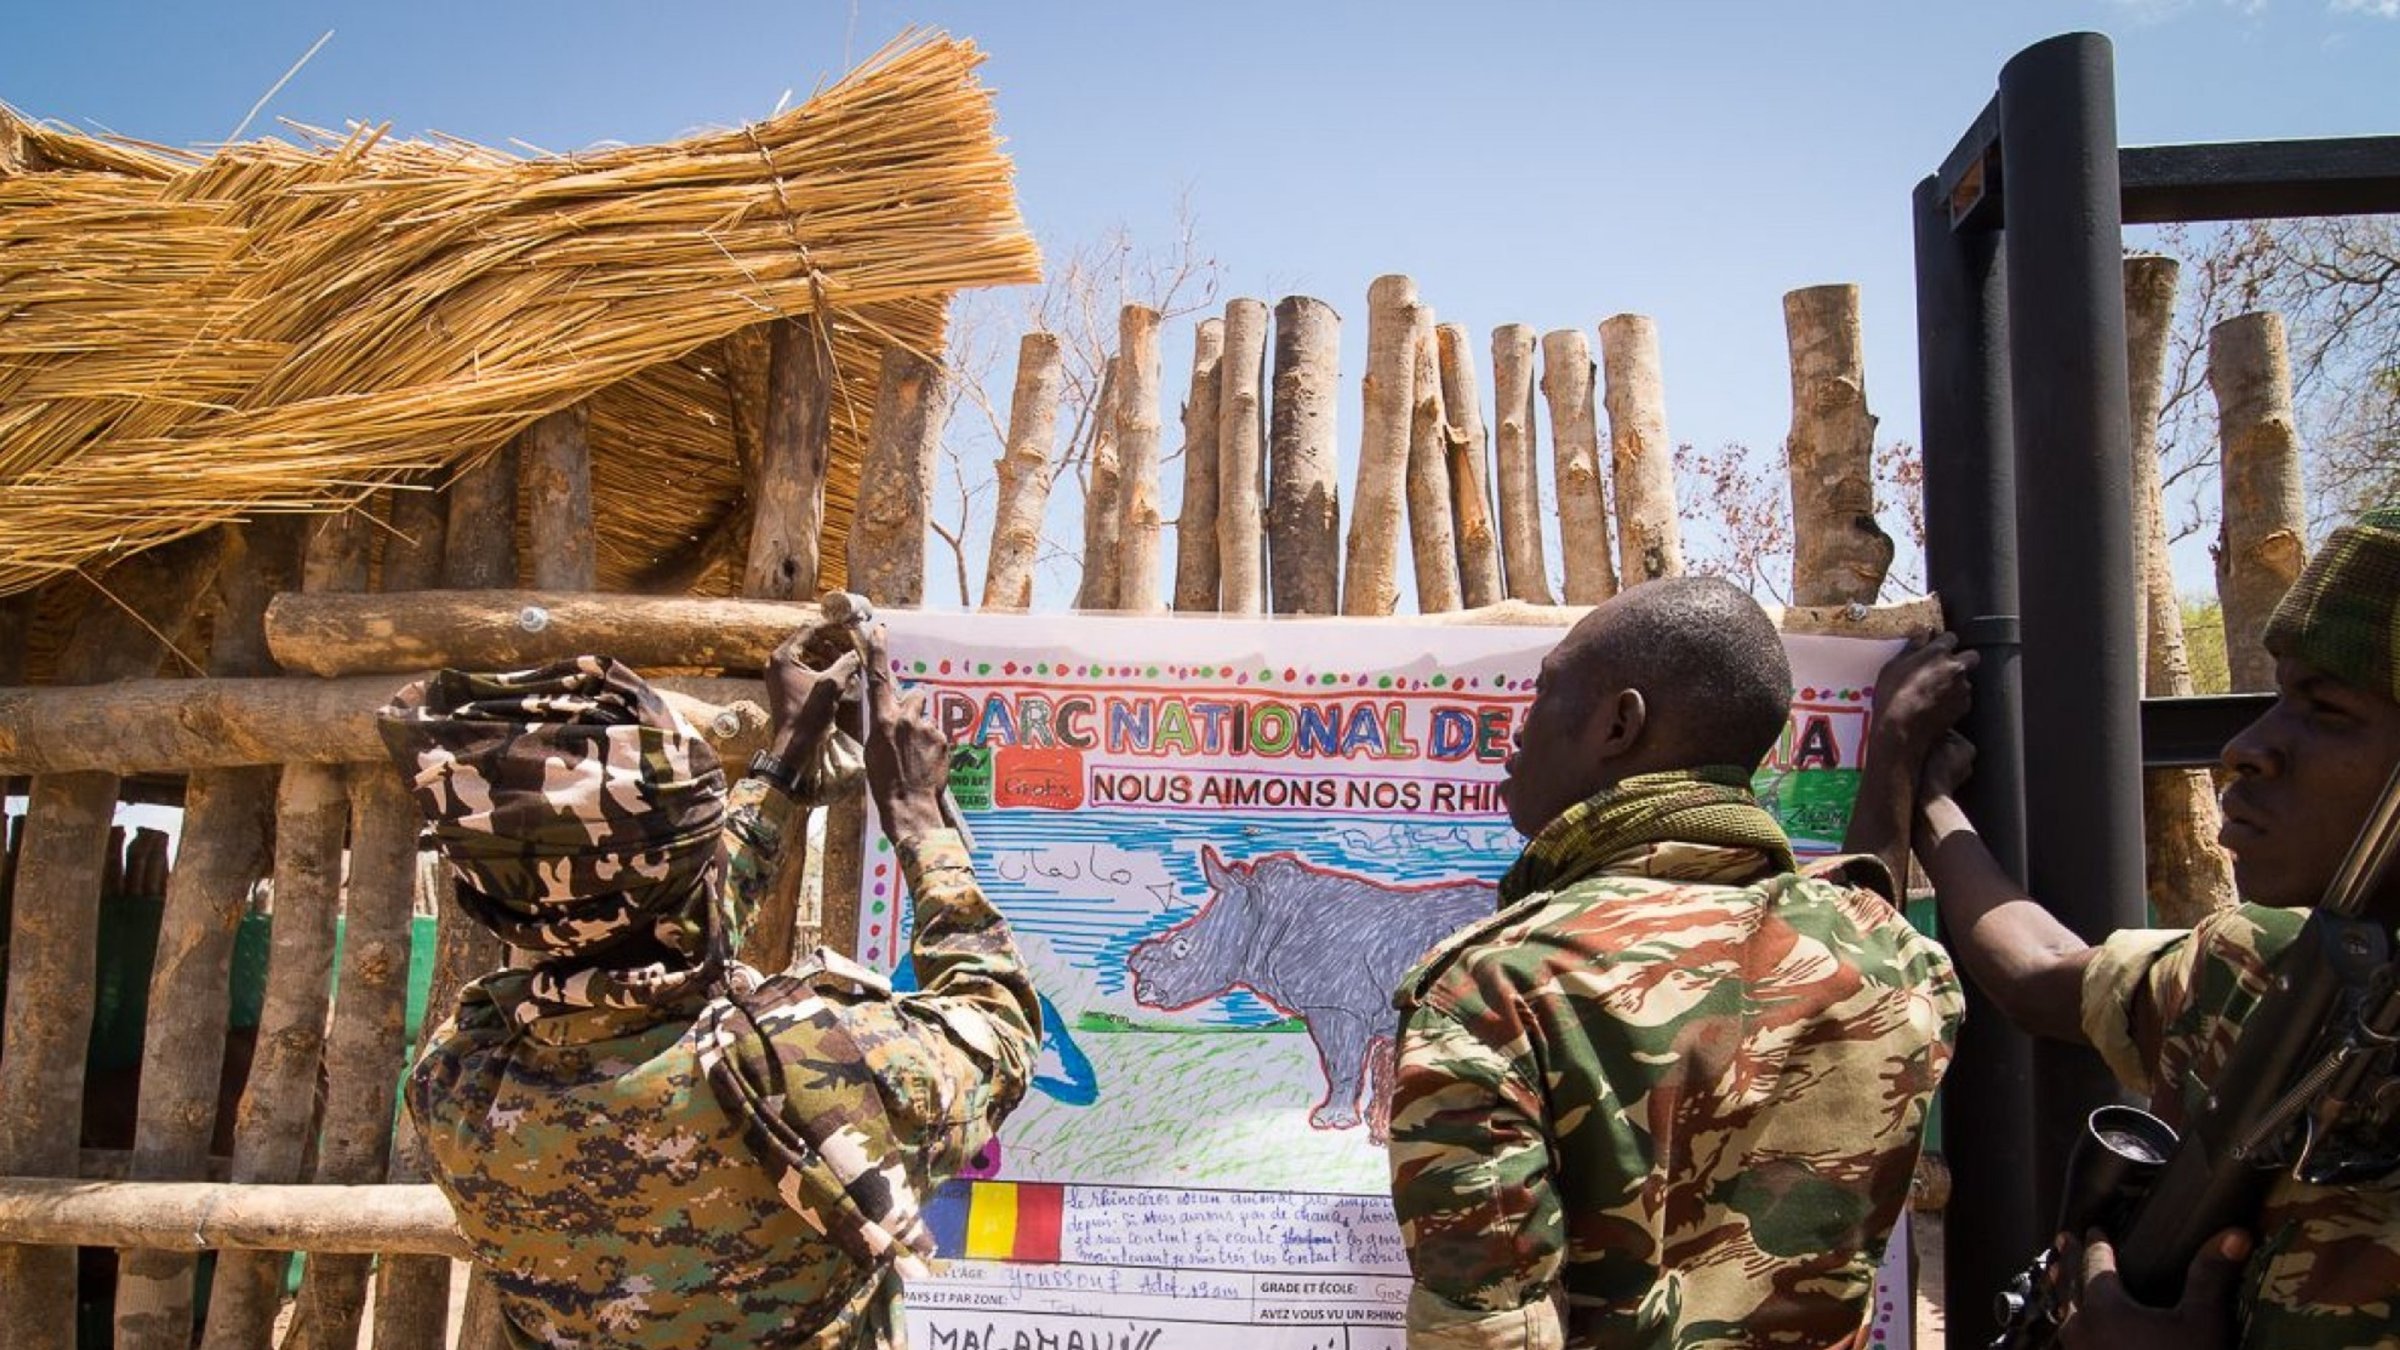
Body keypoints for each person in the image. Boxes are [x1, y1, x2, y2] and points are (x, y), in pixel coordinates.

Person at [378, 621, 1038, 1348]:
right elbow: (997, 1021)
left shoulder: (456, 1084)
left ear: (489, 902)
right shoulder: (811, 1072)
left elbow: (646, 922)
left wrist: (783, 767)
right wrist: (917, 817)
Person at [1868, 503, 2400, 1347]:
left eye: (2328, 711)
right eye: (2281, 695)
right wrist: (1921, 790)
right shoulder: (2263, 969)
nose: (2248, 746)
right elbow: (2040, 974)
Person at [1385, 575, 1964, 1350]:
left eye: (1543, 694)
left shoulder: (1498, 994)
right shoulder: (1894, 961)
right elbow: (1863, 904)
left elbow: (1487, 1335)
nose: (1515, 734)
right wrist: (1895, 749)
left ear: (1620, 723)